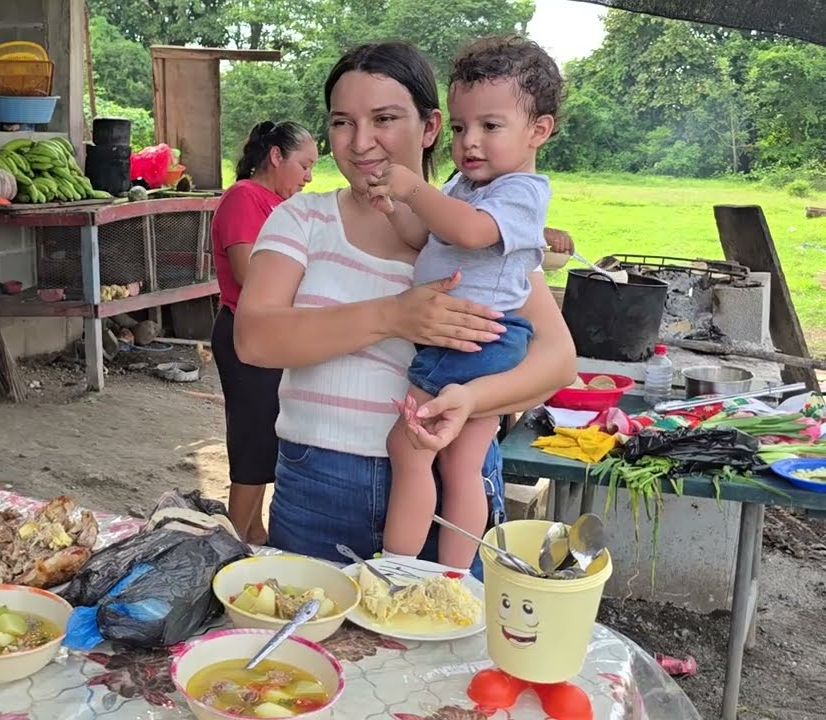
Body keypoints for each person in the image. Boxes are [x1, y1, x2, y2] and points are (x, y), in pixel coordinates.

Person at [233, 41, 576, 570]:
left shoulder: (477, 227)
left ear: (432, 126)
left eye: (385, 118)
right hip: (320, 482)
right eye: (342, 122)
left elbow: (556, 362)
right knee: (310, 643)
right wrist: (395, 316)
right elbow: (254, 338)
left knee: (445, 637)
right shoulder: (302, 220)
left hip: (450, 481)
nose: (361, 141)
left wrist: (472, 399)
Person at [369, 35, 564, 570]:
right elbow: (426, 236)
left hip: (468, 339)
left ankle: (397, 570)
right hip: (486, 341)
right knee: (461, 465)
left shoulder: (519, 191)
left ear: (538, 131)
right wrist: (393, 208)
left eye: (490, 126)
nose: (469, 142)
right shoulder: (465, 185)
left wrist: (412, 188)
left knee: (408, 450)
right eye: (459, 128)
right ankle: (455, 576)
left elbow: (473, 234)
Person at [210, 120, 317, 545]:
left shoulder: (279, 206)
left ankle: (253, 534)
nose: (308, 177)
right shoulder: (244, 197)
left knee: (269, 437)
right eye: (304, 165)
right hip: (245, 333)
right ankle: (232, 544)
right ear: (276, 156)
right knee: (253, 441)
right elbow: (245, 270)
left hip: (271, 335)